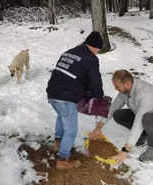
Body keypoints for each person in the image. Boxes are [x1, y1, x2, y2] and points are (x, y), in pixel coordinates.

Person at [46, 31, 106, 170]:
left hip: (53, 93)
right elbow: (95, 82)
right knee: (71, 131)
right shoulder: (91, 58)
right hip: (65, 97)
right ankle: (62, 160)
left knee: (62, 117)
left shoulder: (70, 52)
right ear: (96, 47)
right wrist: (99, 97)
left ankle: (58, 144)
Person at [92, 69, 153, 163]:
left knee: (147, 118)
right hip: (148, 118)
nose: (116, 89)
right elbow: (112, 109)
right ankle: (143, 135)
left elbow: (138, 121)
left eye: (117, 86)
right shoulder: (125, 92)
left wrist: (126, 150)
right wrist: (98, 127)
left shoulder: (145, 94)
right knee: (118, 114)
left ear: (127, 84)